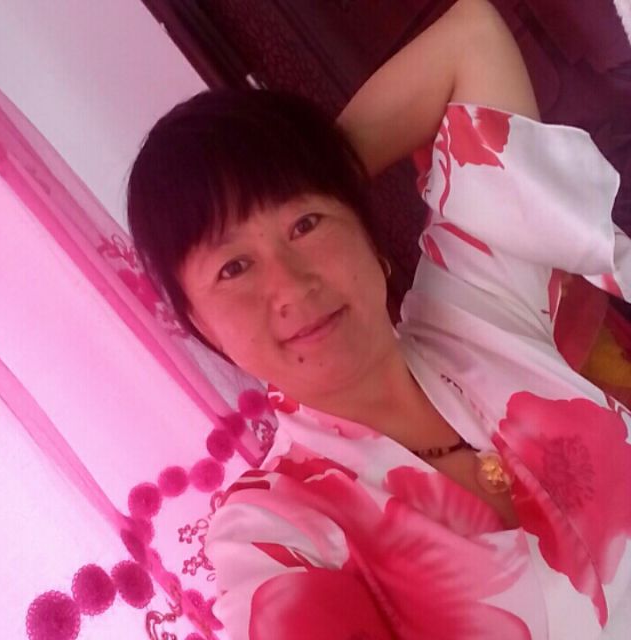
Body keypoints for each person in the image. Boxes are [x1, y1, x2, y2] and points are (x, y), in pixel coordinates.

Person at [127, 0, 631, 637]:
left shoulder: (475, 304)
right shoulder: (275, 532)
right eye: (234, 267)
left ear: (363, 232)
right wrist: (302, 192)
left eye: (306, 225)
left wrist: (315, 170)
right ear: (201, 325)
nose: (292, 285)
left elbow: (471, 37)